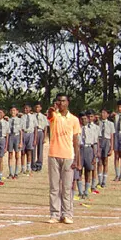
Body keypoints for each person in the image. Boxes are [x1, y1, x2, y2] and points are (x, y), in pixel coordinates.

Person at [46, 93, 81, 224]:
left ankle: (67, 214)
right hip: (53, 154)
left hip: (68, 156)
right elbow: (49, 115)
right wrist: (51, 109)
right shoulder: (54, 116)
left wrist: (77, 159)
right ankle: (54, 214)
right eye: (59, 101)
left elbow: (76, 140)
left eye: (63, 101)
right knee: (54, 187)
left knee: (67, 187)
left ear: (68, 102)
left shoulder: (74, 119)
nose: (61, 103)